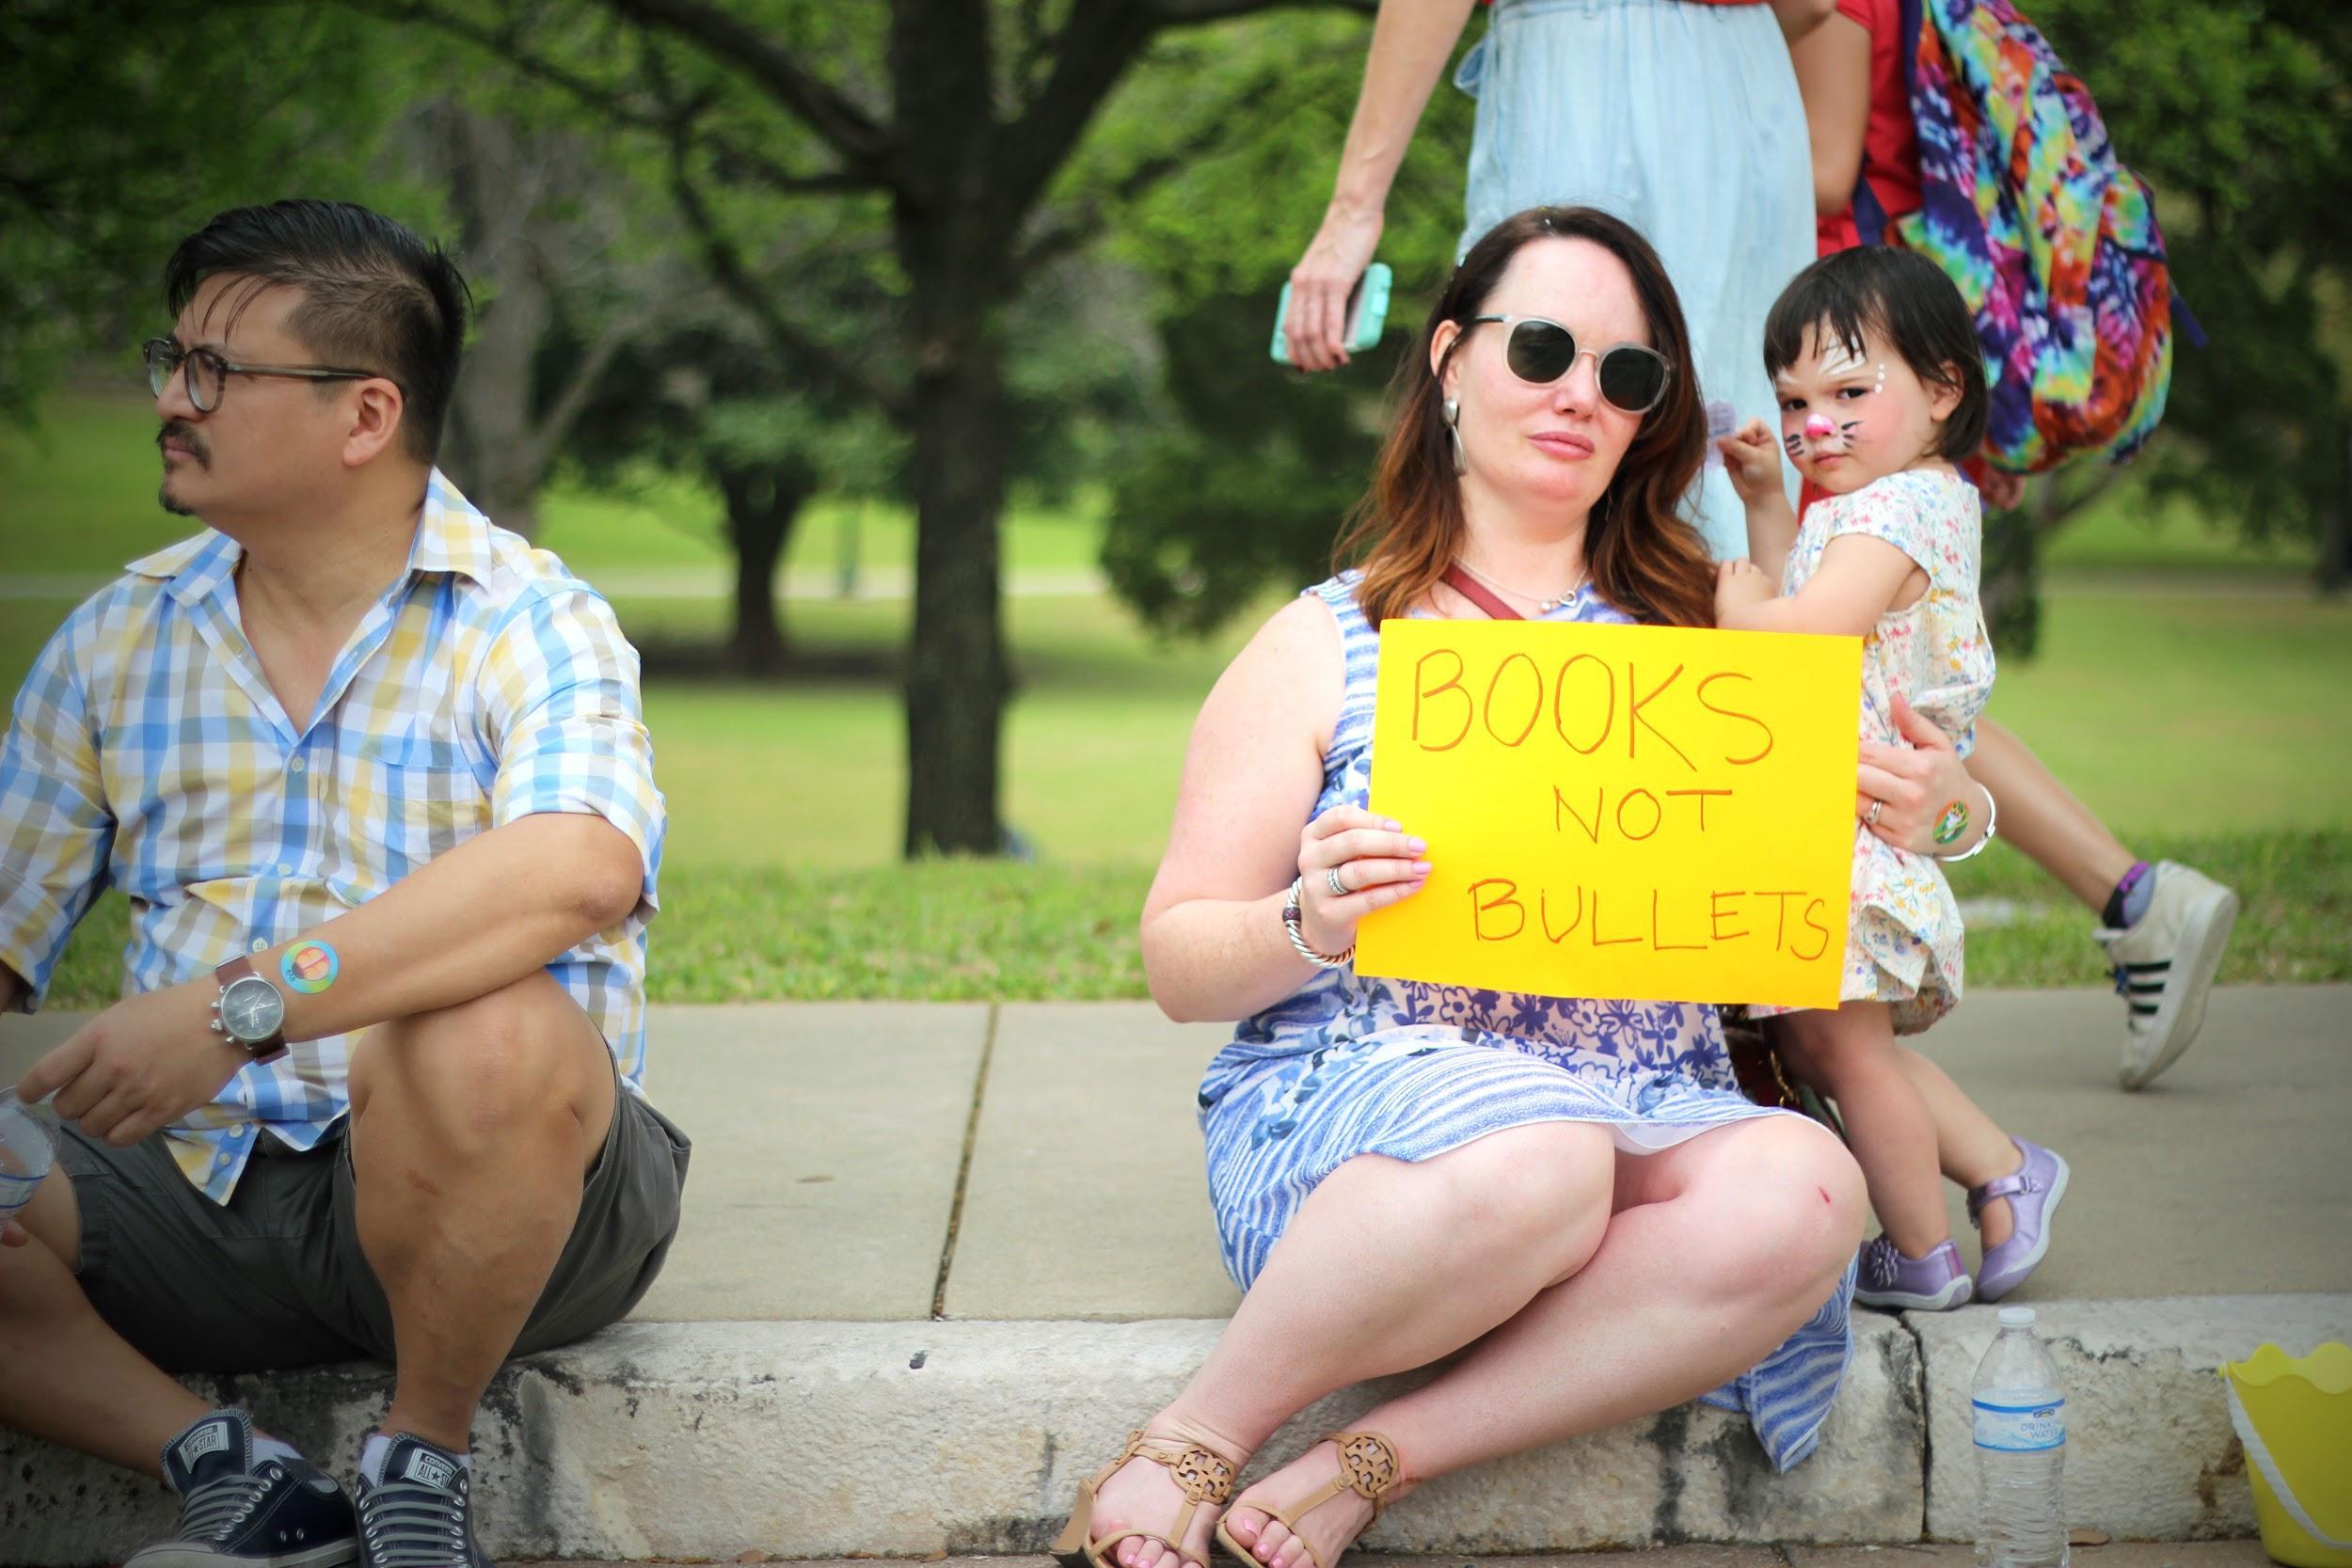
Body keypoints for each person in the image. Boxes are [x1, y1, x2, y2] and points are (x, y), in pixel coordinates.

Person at [1053, 207, 1992, 1568]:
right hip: (1378, 1114)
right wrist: (1308, 918)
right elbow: (1178, 959)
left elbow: (1929, 757)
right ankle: (1195, 1433)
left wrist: (1949, 808)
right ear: (1449, 359)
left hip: (1646, 1094)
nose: (1580, 393)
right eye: (1544, 346)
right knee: (1546, 1152)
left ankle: (1374, 1455)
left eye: (1627, 373)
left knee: (1805, 1186)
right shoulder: (1328, 638)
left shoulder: (1716, 623)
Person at [0, 200, 689, 1568]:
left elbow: (577, 863)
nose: (167, 402)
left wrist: (235, 1004)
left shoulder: (531, 618)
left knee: (484, 1022)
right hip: (182, 1198)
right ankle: (231, 1475)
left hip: (505, 1192)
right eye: (170, 360)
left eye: (212, 371)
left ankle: (416, 1468)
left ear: (364, 413)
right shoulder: (117, 638)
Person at [1785, 0, 2240, 1090]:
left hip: (1844, 353)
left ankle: (2125, 898)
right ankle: (2135, 899)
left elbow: (1821, 166)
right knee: (1894, 671)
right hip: (1858, 353)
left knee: (1861, 665)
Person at [1716, 246, 2066, 1309]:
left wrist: (1736, 611)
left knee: (1843, 1050)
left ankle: (1919, 1249)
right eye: (1793, 400)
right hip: (1837, 818)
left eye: (1849, 392)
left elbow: (1803, 631)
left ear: (1942, 390)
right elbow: (1811, 593)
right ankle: (2005, 1167)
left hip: (1853, 830)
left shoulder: (1900, 508)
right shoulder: (1871, 502)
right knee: (1826, 1039)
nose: (1814, 423)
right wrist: (1768, 506)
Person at [1281, 0, 1836, 562]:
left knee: (1544, 373)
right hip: (1741, 80)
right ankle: (1730, 633)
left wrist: (1354, 209)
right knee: (1724, 429)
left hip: (1585, 65)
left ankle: (1512, 630)